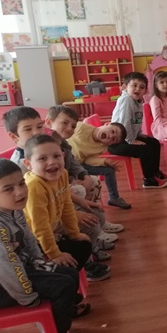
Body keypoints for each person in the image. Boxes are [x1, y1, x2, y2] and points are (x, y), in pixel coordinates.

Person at [0, 159, 83, 333]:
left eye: (21, 183)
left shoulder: (10, 207)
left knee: (69, 273)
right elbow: (6, 268)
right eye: (8, 189)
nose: (20, 192)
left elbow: (28, 238)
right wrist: (28, 298)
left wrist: (39, 261)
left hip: (16, 268)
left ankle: (62, 309)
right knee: (62, 286)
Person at [21, 134, 106, 282]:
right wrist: (54, 254)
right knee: (70, 263)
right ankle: (56, 277)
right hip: (32, 242)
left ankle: (68, 275)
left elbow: (66, 206)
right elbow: (40, 226)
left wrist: (74, 234)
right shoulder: (34, 186)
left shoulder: (62, 174)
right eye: (42, 158)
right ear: (28, 164)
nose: (52, 162)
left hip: (51, 229)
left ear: (63, 155)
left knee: (83, 243)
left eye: (56, 156)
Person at [45, 105, 122, 264]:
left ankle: (97, 228)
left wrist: (83, 175)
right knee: (80, 190)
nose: (69, 128)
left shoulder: (64, 144)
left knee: (93, 181)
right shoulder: (47, 146)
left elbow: (73, 162)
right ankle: (88, 229)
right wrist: (74, 180)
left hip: (69, 178)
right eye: (64, 123)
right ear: (49, 122)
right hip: (59, 191)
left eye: (72, 125)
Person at [109, 72, 167, 189]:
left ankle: (155, 172)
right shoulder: (127, 100)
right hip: (116, 141)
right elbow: (125, 122)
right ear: (125, 87)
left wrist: (139, 135)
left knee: (154, 142)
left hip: (127, 137)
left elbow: (137, 121)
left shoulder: (138, 101)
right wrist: (131, 140)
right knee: (145, 149)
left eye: (142, 87)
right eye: (134, 85)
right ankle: (149, 180)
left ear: (145, 91)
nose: (138, 89)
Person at [68, 118, 131, 209]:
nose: (110, 136)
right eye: (113, 131)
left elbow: (89, 160)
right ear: (107, 124)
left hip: (79, 164)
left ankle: (114, 198)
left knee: (109, 170)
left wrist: (105, 161)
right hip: (66, 160)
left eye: (113, 139)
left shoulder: (102, 147)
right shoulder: (82, 127)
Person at [2, 106, 45, 174]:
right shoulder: (19, 167)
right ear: (14, 137)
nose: (37, 132)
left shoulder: (46, 148)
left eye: (39, 127)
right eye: (28, 129)